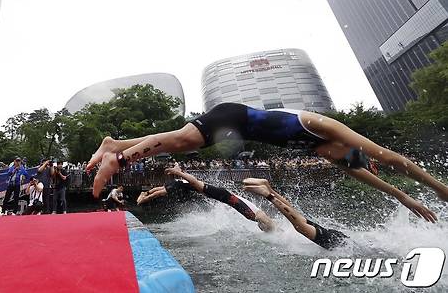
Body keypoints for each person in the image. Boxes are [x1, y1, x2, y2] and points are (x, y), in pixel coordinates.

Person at [87, 102, 445, 222]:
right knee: (179, 141)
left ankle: (113, 144)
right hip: (234, 116)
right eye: (360, 159)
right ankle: (118, 159)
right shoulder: (323, 127)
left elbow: (366, 175)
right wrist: (437, 191)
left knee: (179, 141)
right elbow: (393, 159)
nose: (357, 162)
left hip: (232, 125)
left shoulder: (324, 151)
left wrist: (403, 197)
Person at [137, 166, 275, 231]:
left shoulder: (254, 215)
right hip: (224, 197)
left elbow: (193, 181)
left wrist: (177, 171)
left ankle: (144, 197)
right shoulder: (255, 215)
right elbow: (193, 181)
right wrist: (177, 172)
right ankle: (144, 197)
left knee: (160, 191)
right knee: (161, 191)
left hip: (224, 197)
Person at [243, 178, 348, 249]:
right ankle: (267, 193)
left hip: (339, 238)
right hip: (337, 243)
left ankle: (269, 189)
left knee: (298, 218)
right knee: (300, 225)